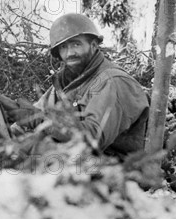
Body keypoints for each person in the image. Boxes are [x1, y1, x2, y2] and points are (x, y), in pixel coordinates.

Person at [9, 13, 149, 157]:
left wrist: (37, 120)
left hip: (114, 167)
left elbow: (93, 138)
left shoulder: (112, 81)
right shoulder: (69, 80)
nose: (70, 53)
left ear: (93, 45)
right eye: (63, 47)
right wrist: (11, 124)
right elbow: (39, 110)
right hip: (78, 159)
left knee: (34, 151)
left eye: (76, 44)